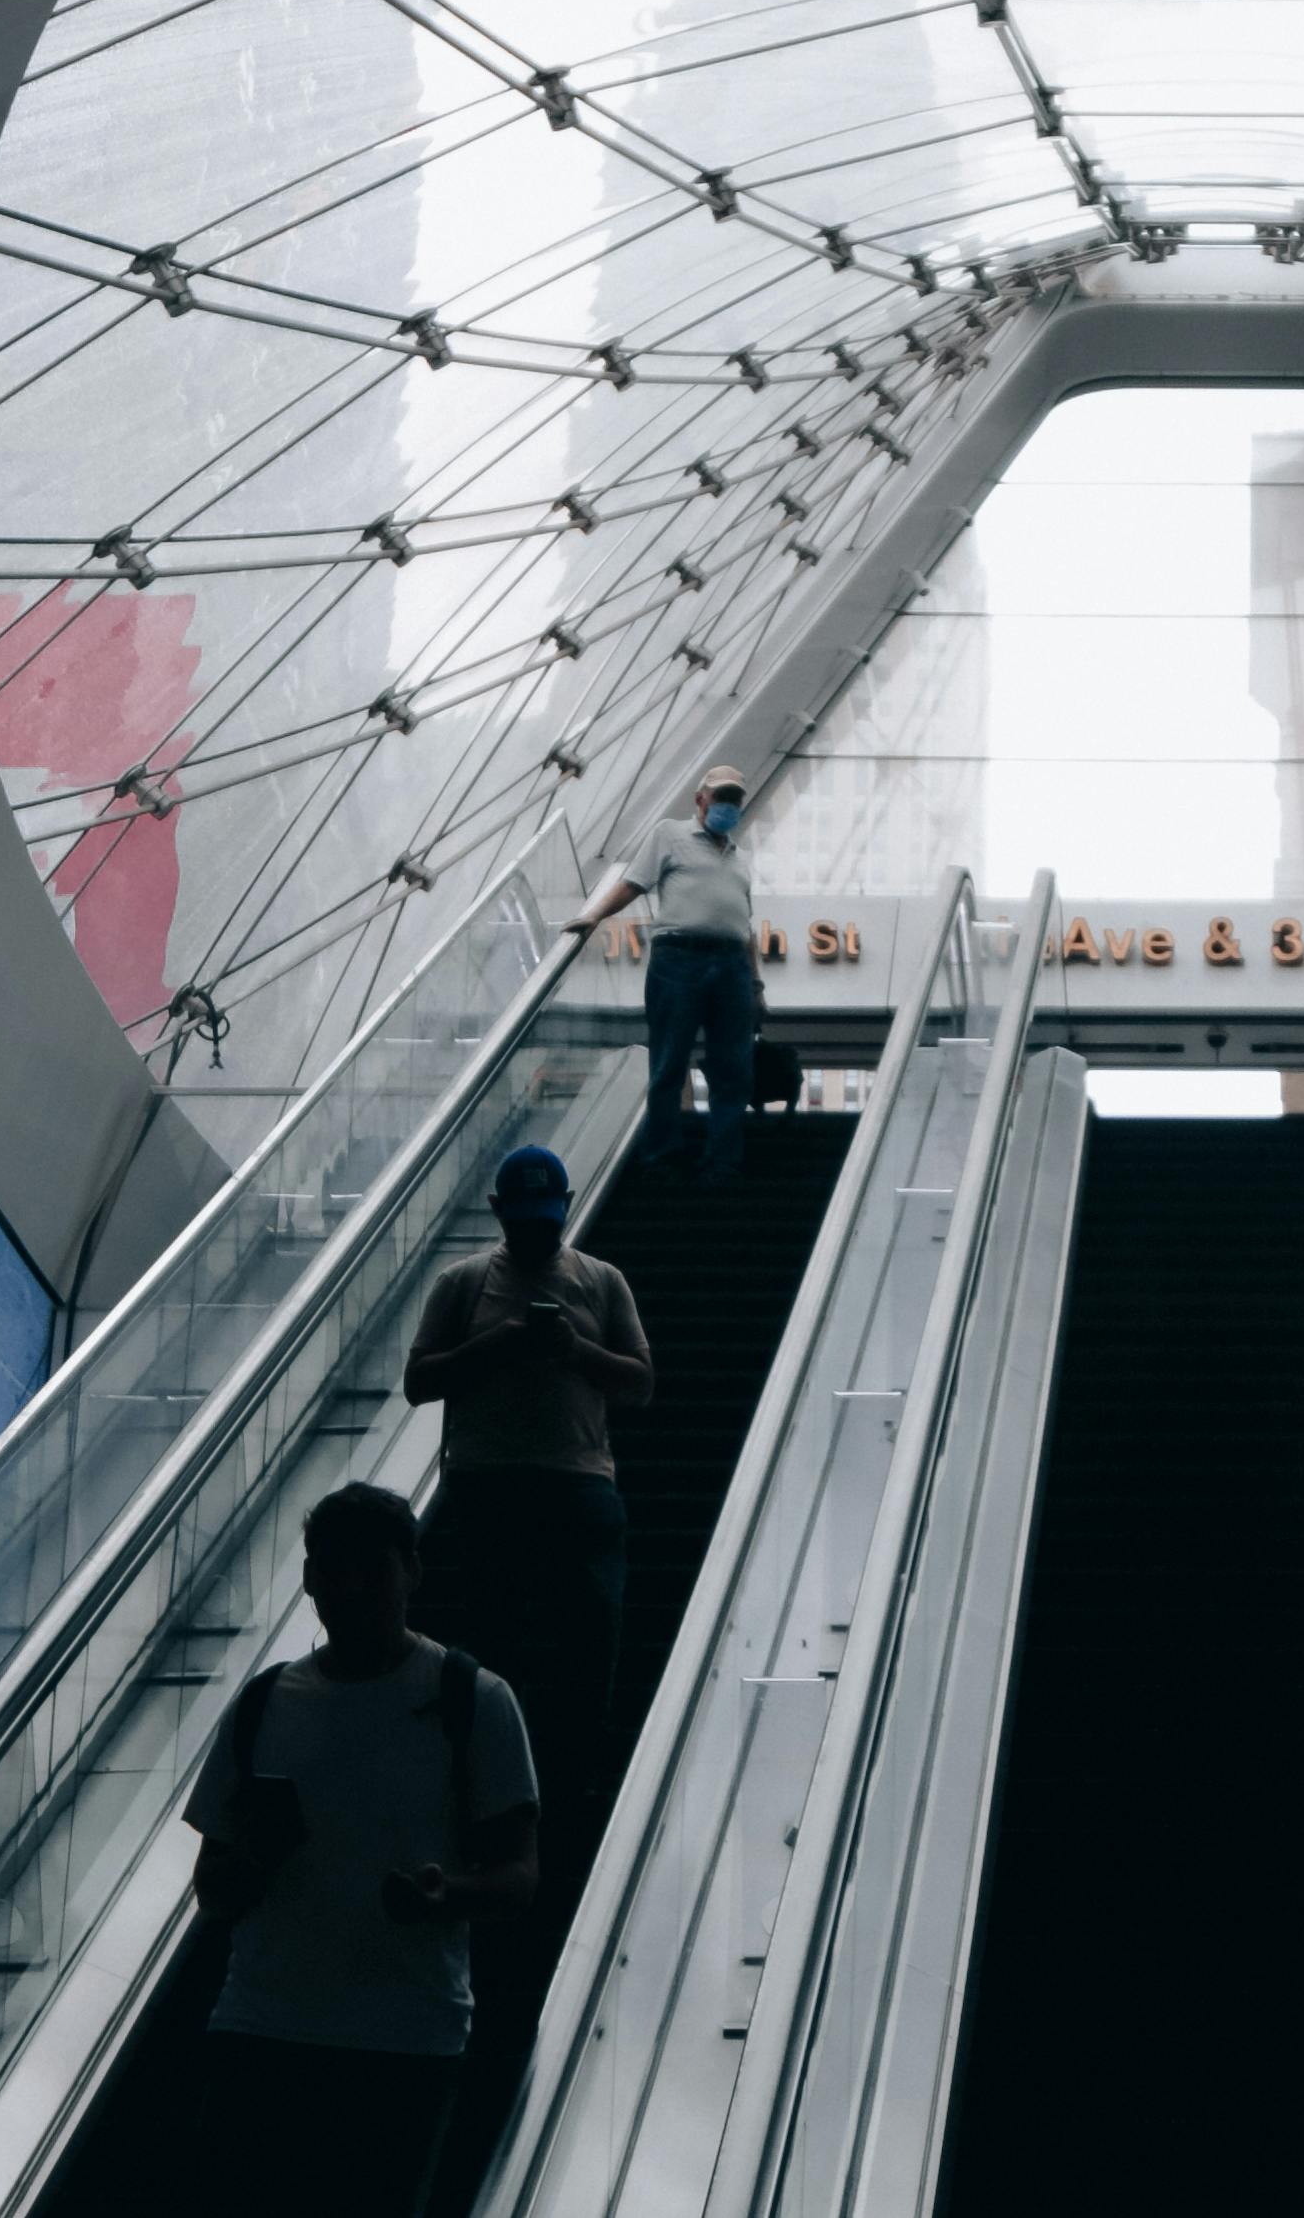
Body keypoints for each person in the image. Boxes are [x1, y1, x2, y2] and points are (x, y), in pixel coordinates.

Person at [179, 1481, 538, 2218]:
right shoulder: (266, 1702)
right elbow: (212, 1885)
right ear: (308, 1578)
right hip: (275, 2028)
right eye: (331, 1570)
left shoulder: (471, 1698)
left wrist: (449, 1896)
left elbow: (520, 1875)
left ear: (411, 1569)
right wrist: (258, 1860)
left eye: (369, 1570)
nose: (347, 1590)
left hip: (395, 2040)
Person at [405, 1144, 649, 1852]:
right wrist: (503, 1345)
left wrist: (575, 1350)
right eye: (525, 1221)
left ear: (567, 1207)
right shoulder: (463, 1282)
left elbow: (640, 1380)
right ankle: (494, 1780)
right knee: (491, 1641)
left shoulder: (602, 1282)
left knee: (582, 1641)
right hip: (491, 1485)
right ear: (498, 1213)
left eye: (547, 1220)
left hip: (572, 1485)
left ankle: (568, 1780)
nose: (538, 1235)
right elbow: (419, 1380)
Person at [601, 770, 765, 1181]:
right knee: (669, 1060)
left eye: (734, 800)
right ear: (700, 800)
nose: (728, 807)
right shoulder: (670, 835)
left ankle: (723, 1160)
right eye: (720, 797)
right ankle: (661, 1156)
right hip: (678, 958)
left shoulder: (740, 858)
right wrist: (592, 917)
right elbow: (632, 884)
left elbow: (745, 927)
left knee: (733, 1067)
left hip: (731, 965)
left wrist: (757, 983)